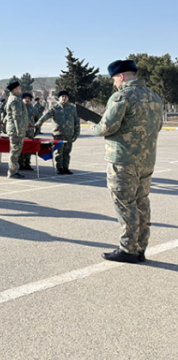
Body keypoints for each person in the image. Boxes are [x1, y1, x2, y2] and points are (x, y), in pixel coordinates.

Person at [93, 59, 163, 263]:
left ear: (121, 77)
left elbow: (106, 127)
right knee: (142, 202)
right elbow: (157, 127)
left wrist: (94, 127)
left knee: (125, 204)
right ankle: (140, 248)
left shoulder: (121, 96)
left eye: (114, 79)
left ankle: (128, 249)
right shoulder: (155, 97)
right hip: (147, 160)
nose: (115, 83)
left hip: (123, 160)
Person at [35, 90, 80, 174]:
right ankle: (59, 168)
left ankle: (66, 167)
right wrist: (38, 123)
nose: (64, 98)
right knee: (59, 152)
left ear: (68, 98)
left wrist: (77, 133)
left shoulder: (72, 108)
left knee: (67, 152)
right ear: (59, 98)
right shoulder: (54, 108)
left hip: (69, 134)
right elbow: (45, 116)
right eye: (62, 96)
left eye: (65, 97)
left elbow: (77, 121)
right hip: (58, 134)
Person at [4, 80, 29, 179]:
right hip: (16, 130)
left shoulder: (14, 98)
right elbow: (16, 117)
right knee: (15, 151)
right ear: (15, 89)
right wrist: (20, 131)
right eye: (19, 88)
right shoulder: (15, 100)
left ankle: (13, 170)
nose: (20, 89)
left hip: (14, 129)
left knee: (15, 151)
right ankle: (12, 172)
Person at [19, 93, 38, 171]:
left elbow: (37, 119)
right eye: (25, 98)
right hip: (21, 131)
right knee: (21, 148)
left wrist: (36, 129)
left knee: (29, 148)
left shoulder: (33, 109)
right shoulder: (19, 108)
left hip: (30, 132)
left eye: (28, 98)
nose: (27, 99)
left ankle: (27, 164)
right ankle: (21, 164)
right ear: (22, 99)